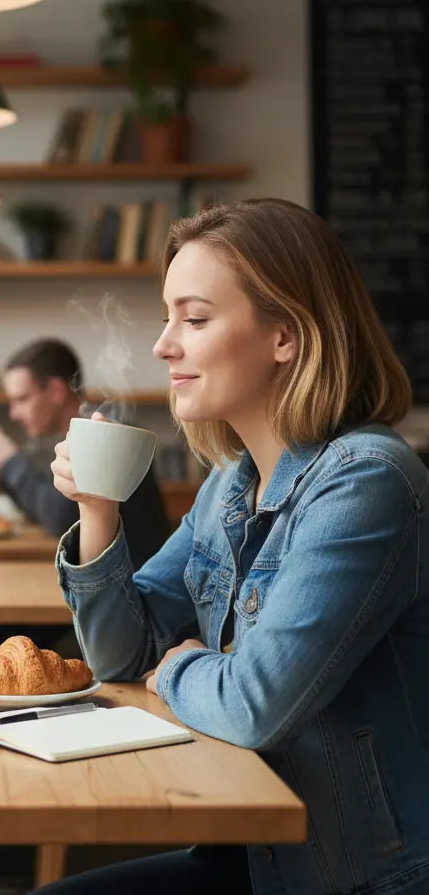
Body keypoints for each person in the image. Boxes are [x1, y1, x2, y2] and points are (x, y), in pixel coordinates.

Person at [39, 199, 429, 895]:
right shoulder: (230, 485)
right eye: (167, 318)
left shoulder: (366, 481)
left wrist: (180, 672)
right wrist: (97, 509)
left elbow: (256, 705)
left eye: (194, 318)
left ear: (285, 335)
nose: (164, 345)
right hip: (264, 857)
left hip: (362, 874)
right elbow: (122, 654)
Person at [0, 338, 170, 565]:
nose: (13, 414)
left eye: (21, 399)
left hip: (136, 586)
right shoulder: (65, 441)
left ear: (55, 391)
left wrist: (10, 464)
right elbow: (43, 509)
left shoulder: (104, 434)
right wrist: (2, 472)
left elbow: (62, 518)